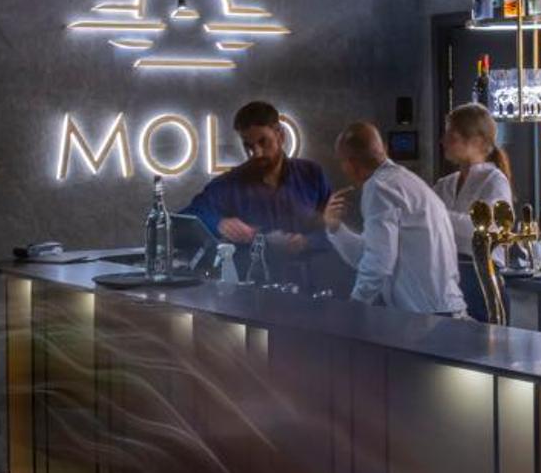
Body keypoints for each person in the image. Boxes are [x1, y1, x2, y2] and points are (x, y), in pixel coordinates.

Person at [324, 122, 465, 315]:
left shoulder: (379, 188)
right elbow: (370, 253)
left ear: (350, 163)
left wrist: (355, 306)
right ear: (384, 149)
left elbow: (379, 262)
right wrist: (336, 228)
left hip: (425, 316)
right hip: (443, 309)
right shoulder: (405, 182)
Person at [186, 100, 332, 281]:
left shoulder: (312, 174)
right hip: (251, 288)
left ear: (281, 135)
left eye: (263, 142)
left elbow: (335, 227)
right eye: (248, 146)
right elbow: (187, 217)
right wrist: (218, 223)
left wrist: (309, 241)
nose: (256, 153)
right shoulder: (229, 184)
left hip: (310, 284)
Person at [434, 103, 514, 317]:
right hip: (447, 279)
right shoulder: (445, 184)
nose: (443, 141)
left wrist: (436, 215)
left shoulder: (494, 180)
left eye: (452, 136)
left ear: (477, 141)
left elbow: (483, 230)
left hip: (481, 281)